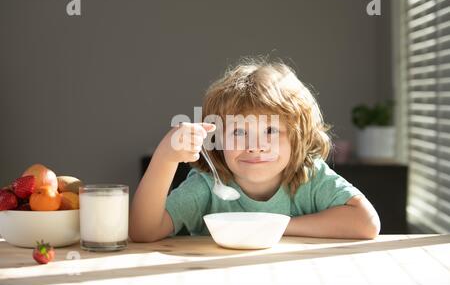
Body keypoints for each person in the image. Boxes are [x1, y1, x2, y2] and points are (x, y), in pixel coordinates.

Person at [130, 57, 380, 242]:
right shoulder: (208, 185)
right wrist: (165, 157)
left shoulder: (309, 177)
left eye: (270, 131)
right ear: (218, 138)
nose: (255, 147)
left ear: (296, 136)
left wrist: (276, 226)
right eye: (239, 132)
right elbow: (143, 231)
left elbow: (366, 223)